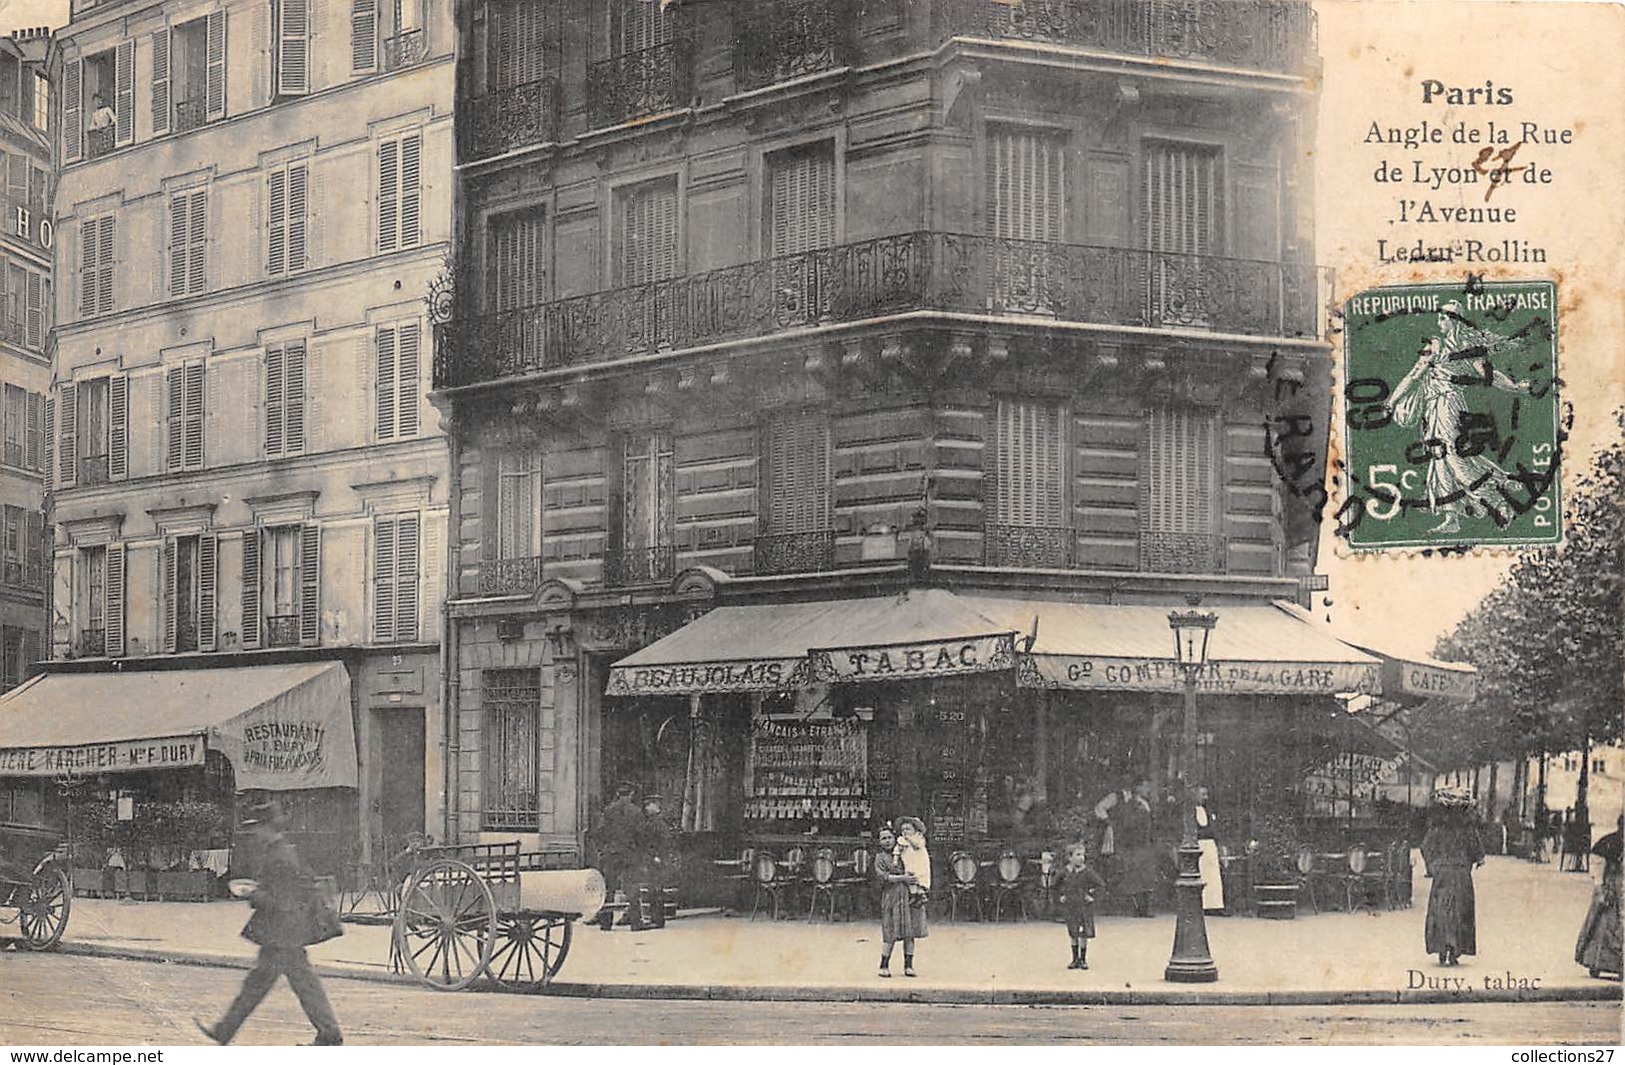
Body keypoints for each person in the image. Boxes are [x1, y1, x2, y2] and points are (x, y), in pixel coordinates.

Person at [194, 800, 342, 1046]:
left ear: (267, 827)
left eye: (257, 828)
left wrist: (251, 894)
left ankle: (224, 1031)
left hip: (282, 933)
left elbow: (281, 901)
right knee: (297, 984)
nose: (254, 833)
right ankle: (329, 1034)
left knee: (264, 986)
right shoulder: (281, 849)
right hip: (287, 931)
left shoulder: (279, 855)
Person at [1384, 300, 1533, 534]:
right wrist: (1391, 402)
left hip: (1449, 405)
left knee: (1454, 457)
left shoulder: (1465, 345)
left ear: (1455, 320)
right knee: (1439, 460)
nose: (1439, 321)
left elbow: (1489, 375)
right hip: (1432, 408)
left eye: (1444, 317)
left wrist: (1513, 387)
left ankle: (1498, 501)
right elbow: (1414, 375)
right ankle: (1452, 516)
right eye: (1439, 317)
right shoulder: (1434, 344)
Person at [1420, 790, 1486, 966]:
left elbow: (1425, 847)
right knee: (1460, 909)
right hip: (1462, 873)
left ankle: (1442, 947)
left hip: (1442, 873)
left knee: (1441, 909)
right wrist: (1477, 859)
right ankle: (1455, 949)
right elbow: (1478, 852)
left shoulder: (1437, 828)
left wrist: (1431, 865)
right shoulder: (1467, 828)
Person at [1095, 777, 1157, 917]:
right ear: (1138, 786)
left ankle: (1143, 907)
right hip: (1127, 842)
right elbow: (1100, 808)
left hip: (1142, 843)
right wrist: (1109, 823)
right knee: (1129, 871)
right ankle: (1131, 906)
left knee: (1145, 872)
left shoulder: (1143, 802)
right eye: (1146, 787)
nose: (1149, 790)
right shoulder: (1121, 798)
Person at [872, 822, 926, 978]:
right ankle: (884, 964)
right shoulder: (880, 858)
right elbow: (883, 877)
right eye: (883, 838)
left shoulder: (904, 852)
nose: (887, 841)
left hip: (908, 895)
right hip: (891, 897)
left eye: (889, 837)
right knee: (890, 932)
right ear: (879, 841)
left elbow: (916, 863)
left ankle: (908, 966)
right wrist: (903, 878)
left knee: (910, 932)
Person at [1575, 818, 1623, 979]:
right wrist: (1600, 886)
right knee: (1604, 925)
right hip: (1611, 889)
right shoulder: (1609, 843)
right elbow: (1597, 864)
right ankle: (1597, 962)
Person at [591, 781, 641, 931]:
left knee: (608, 889)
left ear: (618, 794)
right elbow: (641, 835)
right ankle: (635, 923)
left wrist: (603, 850)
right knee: (632, 887)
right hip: (630, 854)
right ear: (631, 794)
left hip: (611, 854)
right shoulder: (636, 812)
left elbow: (599, 832)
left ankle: (606, 923)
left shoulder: (608, 810)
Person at [1055, 840, 1106, 971]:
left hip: (1084, 907)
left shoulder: (1088, 872)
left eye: (1082, 855)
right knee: (1073, 933)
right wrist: (1061, 896)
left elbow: (1100, 885)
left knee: (1084, 934)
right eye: (1077, 855)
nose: (1081, 858)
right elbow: (1055, 886)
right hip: (1071, 907)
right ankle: (1074, 958)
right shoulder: (1064, 872)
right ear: (1070, 857)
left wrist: (1092, 897)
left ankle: (1083, 959)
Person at [629, 793, 673, 930]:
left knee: (656, 889)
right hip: (651, 859)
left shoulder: (659, 822)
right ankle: (656, 918)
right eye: (646, 805)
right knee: (653, 889)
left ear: (656, 805)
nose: (646, 807)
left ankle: (658, 919)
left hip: (657, 860)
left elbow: (665, 842)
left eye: (649, 804)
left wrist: (658, 856)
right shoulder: (650, 821)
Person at [1194, 786, 1225, 915]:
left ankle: (1216, 905)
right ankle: (1204, 905)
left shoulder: (1209, 811)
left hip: (1210, 845)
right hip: (1200, 844)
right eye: (1202, 794)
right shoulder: (1191, 812)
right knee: (1203, 874)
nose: (1205, 797)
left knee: (1214, 876)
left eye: (1206, 794)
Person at [894, 816, 931, 905]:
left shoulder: (918, 837)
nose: (905, 832)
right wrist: (895, 860)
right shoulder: (901, 840)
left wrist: (909, 839)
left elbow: (917, 845)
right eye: (903, 830)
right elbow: (896, 850)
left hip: (919, 860)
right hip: (909, 861)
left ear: (915, 830)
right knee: (911, 877)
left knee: (920, 876)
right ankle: (914, 895)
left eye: (908, 829)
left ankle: (922, 894)